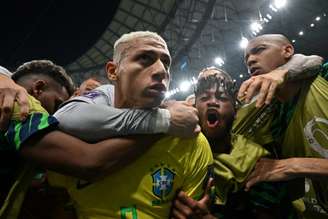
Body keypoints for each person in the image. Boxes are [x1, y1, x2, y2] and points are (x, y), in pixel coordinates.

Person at [45, 31, 213, 219]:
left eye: (166, 62)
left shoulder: (191, 141)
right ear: (112, 71)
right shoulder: (73, 136)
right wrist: (163, 121)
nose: (161, 70)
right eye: (144, 58)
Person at [239, 34, 328, 218]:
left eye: (259, 50)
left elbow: (314, 61)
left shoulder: (324, 78)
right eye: (246, 58)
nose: (251, 60)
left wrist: (294, 166)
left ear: (287, 51)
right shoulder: (270, 121)